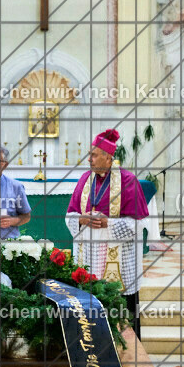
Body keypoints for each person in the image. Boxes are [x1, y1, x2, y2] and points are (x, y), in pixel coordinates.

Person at [66, 129, 150, 338]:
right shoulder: (85, 179)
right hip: (89, 260)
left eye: (94, 155)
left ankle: (129, 354)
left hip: (119, 262)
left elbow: (138, 224)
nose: (90, 160)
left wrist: (108, 224)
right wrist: (82, 219)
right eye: (90, 155)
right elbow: (70, 216)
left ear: (108, 157)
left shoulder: (128, 181)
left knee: (122, 311)